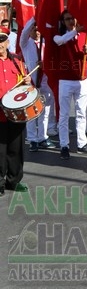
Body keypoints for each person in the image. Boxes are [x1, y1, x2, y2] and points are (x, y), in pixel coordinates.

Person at [53, 10, 87, 158]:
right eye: (67, 19)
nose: (71, 21)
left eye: (72, 18)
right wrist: (75, 32)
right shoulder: (59, 36)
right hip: (65, 80)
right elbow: (60, 41)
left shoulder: (86, 37)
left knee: (81, 114)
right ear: (63, 22)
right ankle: (64, 145)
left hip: (82, 80)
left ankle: (81, 143)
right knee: (64, 115)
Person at [0, 26, 31, 195]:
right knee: (0, 150)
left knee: (16, 149)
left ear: (7, 41)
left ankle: (14, 180)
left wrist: (27, 81)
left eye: (1, 40)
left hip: (16, 114)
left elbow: (27, 89)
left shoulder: (17, 62)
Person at [19, 19, 57, 152]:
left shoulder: (46, 44)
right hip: (31, 82)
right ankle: (32, 139)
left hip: (45, 81)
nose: (38, 32)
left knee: (45, 111)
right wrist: (36, 17)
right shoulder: (25, 43)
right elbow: (24, 32)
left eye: (39, 30)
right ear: (30, 32)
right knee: (31, 112)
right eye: (35, 29)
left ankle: (42, 137)